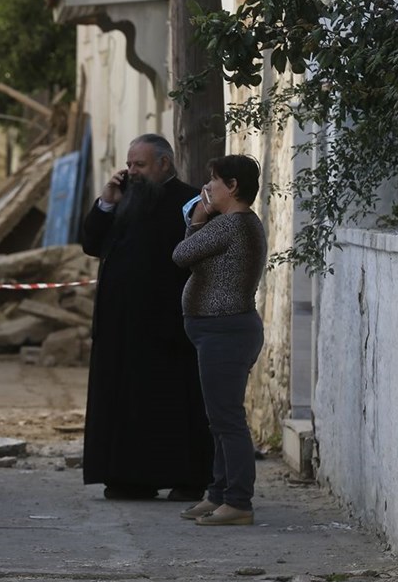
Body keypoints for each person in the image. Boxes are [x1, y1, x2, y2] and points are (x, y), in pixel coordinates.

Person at [80, 134, 214, 501]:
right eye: (129, 164)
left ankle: (188, 479)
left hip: (168, 326)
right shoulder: (124, 199)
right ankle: (130, 478)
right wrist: (106, 203)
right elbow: (91, 243)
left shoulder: (189, 201)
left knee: (172, 404)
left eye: (139, 165)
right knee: (125, 403)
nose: (131, 171)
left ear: (164, 164)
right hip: (120, 328)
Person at [172, 154, 267, 526]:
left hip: (226, 330)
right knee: (219, 418)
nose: (207, 188)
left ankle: (238, 501)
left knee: (227, 419)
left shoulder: (232, 225)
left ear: (233, 187)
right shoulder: (233, 224)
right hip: (220, 329)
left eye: (214, 180)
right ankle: (218, 493)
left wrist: (196, 220)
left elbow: (181, 255)